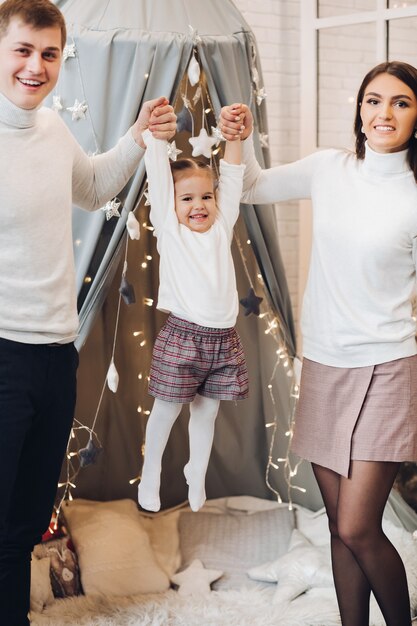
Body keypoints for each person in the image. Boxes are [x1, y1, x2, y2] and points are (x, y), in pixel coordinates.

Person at [220, 61, 417, 625]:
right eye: (374, 100)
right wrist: (238, 142)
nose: (384, 113)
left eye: (400, 102)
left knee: (359, 526)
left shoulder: (413, 195)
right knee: (338, 526)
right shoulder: (331, 169)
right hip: (325, 366)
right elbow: (253, 187)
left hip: (387, 367)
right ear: (359, 109)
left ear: (416, 116)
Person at [0, 0, 176, 624]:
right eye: (23, 50)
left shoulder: (51, 131)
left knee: (25, 519)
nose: (35, 66)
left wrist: (138, 136)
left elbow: (96, 187)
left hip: (55, 354)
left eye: (48, 54)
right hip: (4, 351)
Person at [137, 120, 248, 514]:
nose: (198, 206)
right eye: (187, 199)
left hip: (223, 340)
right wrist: (158, 140)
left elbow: (232, 178)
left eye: (205, 197)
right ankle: (151, 472)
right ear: (171, 205)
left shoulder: (221, 227)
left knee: (208, 411)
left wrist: (234, 140)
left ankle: (195, 472)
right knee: (166, 410)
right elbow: (159, 178)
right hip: (183, 336)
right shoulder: (170, 229)